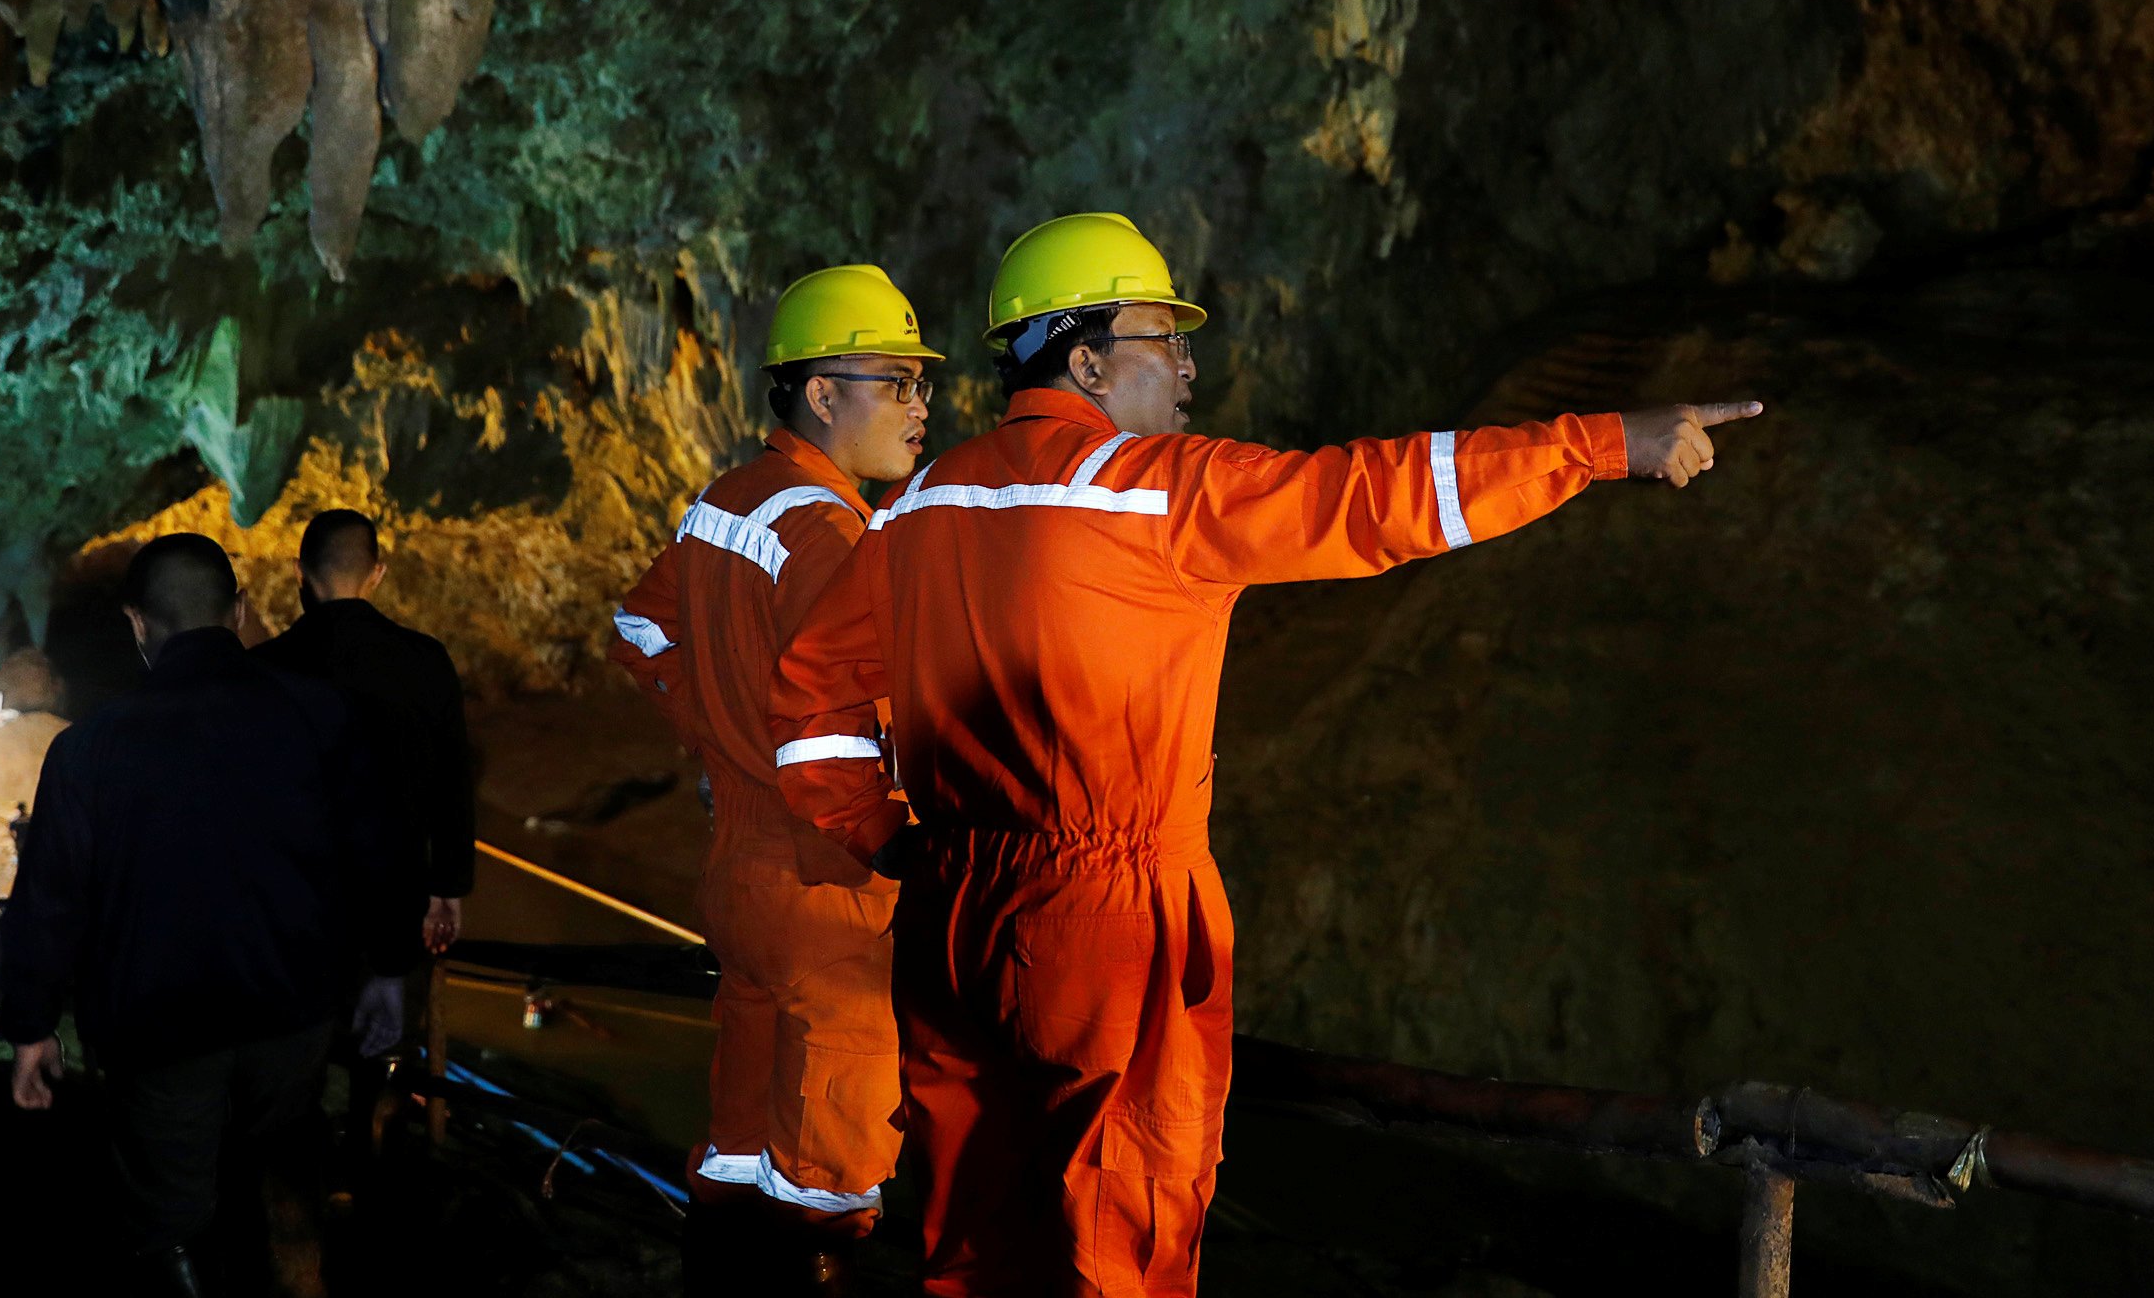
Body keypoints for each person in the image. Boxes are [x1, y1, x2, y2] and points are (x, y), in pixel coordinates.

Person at [770, 213, 1762, 1297]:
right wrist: (1607, 440)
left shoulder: (918, 504)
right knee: (1120, 1238)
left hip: (953, 911)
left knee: (975, 1237)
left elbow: (807, 692)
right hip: (1105, 922)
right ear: (1085, 356)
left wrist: (886, 836)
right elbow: (1378, 494)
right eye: (1163, 337)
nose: (1190, 364)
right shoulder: (1159, 489)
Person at [610, 263, 939, 1290]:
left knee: (742, 1130)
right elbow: (857, 713)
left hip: (740, 871)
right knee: (831, 1167)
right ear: (823, 392)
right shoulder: (834, 533)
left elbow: (637, 626)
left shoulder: (727, 500)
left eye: (923, 381)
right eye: (897, 380)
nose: (922, 403)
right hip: (825, 879)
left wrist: (718, 733)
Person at [1, 534, 408, 1295]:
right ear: (241, 610)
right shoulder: (321, 714)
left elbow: (52, 898)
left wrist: (31, 1023)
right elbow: (376, 854)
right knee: (276, 1177)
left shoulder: (90, 748)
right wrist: (387, 969)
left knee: (170, 1213)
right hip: (293, 1007)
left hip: (159, 1024)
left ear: (136, 622)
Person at [258, 510, 476, 961]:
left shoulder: (261, 670)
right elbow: (453, 783)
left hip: (288, 910)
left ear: (299, 571)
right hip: (393, 907)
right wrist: (448, 888)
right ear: (377, 575)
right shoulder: (425, 660)